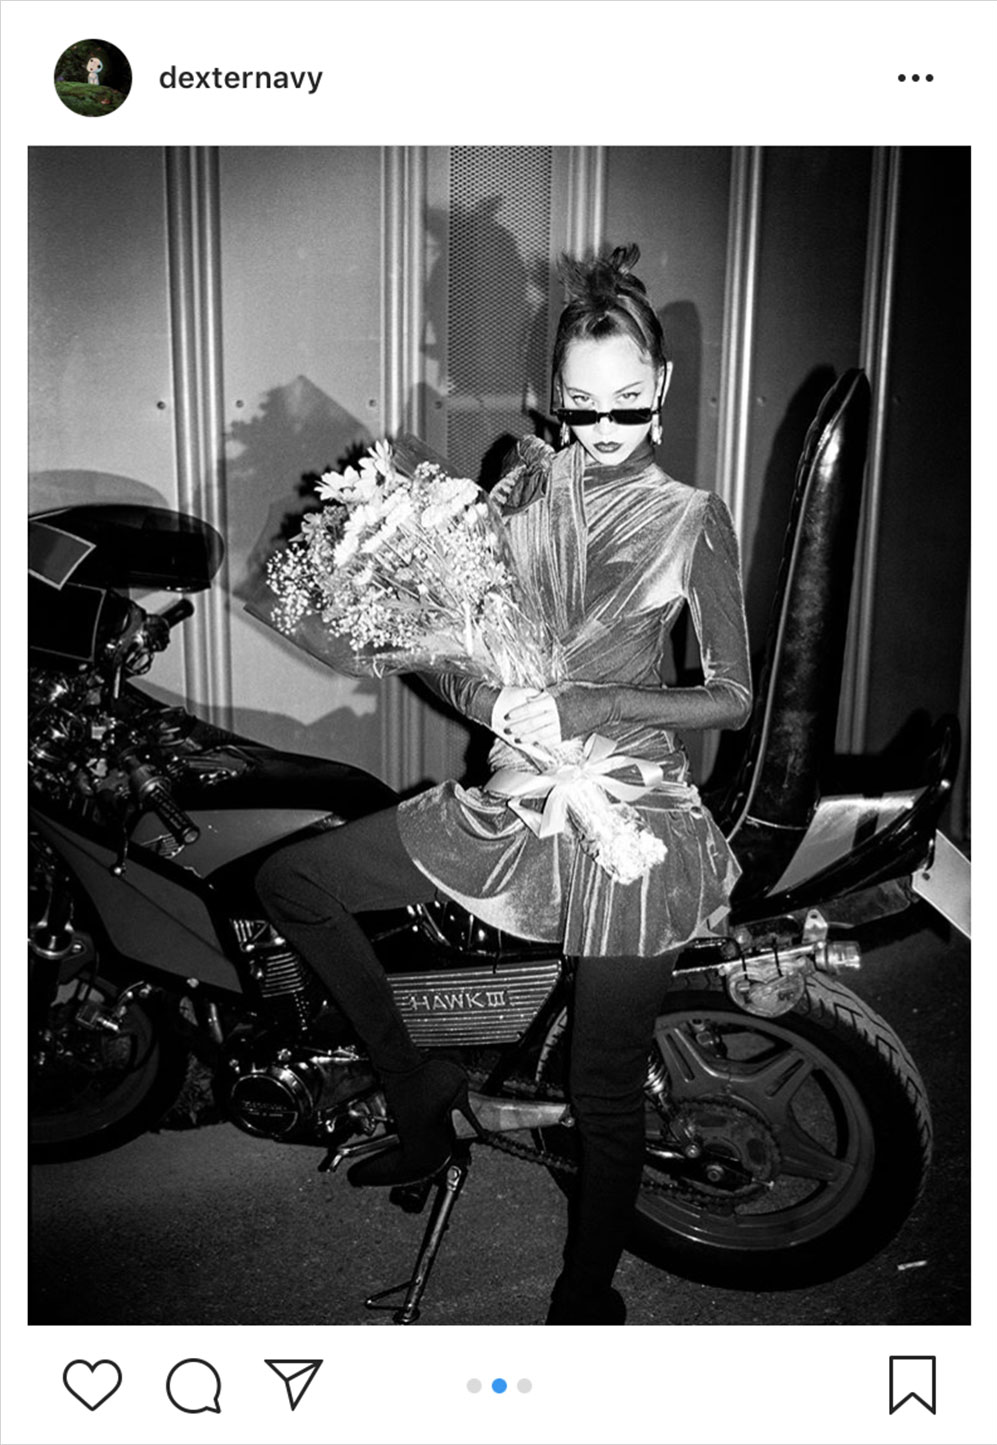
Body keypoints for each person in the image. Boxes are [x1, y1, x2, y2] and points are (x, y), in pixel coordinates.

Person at [255, 243, 752, 1324]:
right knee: (292, 883)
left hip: (631, 820)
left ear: (662, 385)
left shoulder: (690, 515)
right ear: (551, 394)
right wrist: (488, 698)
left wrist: (591, 706)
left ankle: (585, 1296)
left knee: (602, 1087)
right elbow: (440, 638)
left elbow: (731, 696)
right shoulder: (519, 483)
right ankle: (420, 1096)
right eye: (583, 404)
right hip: (515, 797)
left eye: (628, 400)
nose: (606, 425)